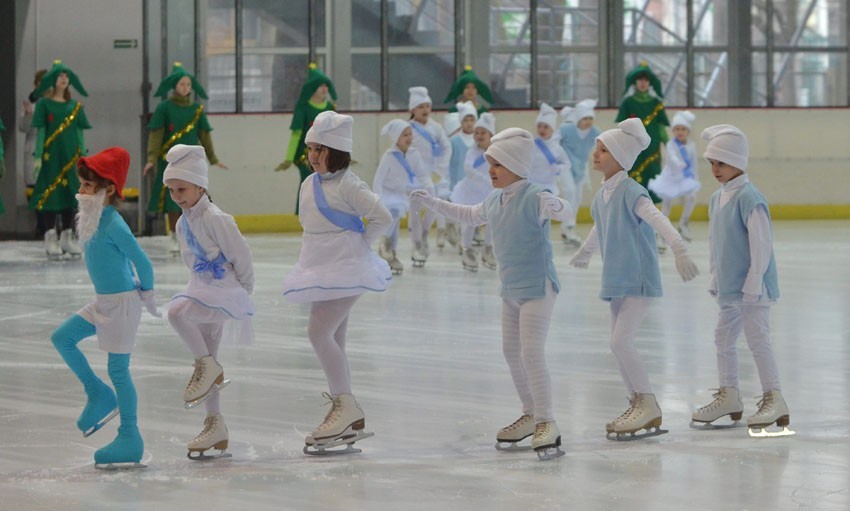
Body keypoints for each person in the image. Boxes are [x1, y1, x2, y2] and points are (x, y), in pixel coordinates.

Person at [410, 128, 574, 461]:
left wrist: (557, 204)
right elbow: (468, 214)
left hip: (537, 288)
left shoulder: (534, 195)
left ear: (515, 164)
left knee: (531, 353)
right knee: (511, 352)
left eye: (497, 164)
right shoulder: (495, 199)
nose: (491, 170)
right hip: (510, 289)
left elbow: (565, 211)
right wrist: (433, 202)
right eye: (490, 164)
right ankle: (530, 412)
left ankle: (547, 420)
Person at [569, 118, 699, 441]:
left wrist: (679, 248)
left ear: (620, 157)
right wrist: (586, 252)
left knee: (620, 341)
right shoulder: (602, 195)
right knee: (617, 345)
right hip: (615, 278)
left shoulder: (631, 191)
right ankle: (637, 403)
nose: (595, 155)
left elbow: (657, 218)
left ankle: (648, 403)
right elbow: (600, 227)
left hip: (638, 278)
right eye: (596, 149)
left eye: (603, 150)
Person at [282, 111, 392, 454]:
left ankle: (346, 405)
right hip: (320, 270)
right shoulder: (308, 184)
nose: (313, 155)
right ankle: (346, 409)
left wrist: (359, 246)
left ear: (339, 151)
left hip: (347, 269)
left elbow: (382, 218)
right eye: (310, 148)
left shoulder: (349, 184)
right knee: (335, 338)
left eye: (321, 148)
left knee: (318, 332)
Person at [50, 146, 159, 468]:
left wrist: (148, 294)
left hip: (122, 305)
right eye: (82, 183)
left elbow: (143, 262)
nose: (80, 190)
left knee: (118, 370)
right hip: (104, 302)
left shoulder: (114, 224)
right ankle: (98, 393)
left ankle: (130, 437)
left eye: (87, 185)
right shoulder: (94, 217)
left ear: (108, 189)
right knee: (62, 338)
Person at [690, 125, 790, 437]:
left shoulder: (749, 197)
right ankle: (729, 396)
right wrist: (714, 276)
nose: (715, 170)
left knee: (758, 341)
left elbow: (762, 244)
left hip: (753, 289)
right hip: (730, 288)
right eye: (712, 163)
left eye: (721, 163)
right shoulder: (717, 198)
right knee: (723, 339)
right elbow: (714, 242)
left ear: (738, 162)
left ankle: (775, 399)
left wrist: (754, 281)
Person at [163, 144, 255, 459]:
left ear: (201, 185)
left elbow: (241, 254)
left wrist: (245, 290)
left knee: (176, 312)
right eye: (172, 190)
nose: (176, 196)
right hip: (202, 287)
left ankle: (206, 365)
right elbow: (191, 261)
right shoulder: (182, 222)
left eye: (182, 189)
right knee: (208, 356)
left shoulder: (217, 218)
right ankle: (215, 426)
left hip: (224, 289)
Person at [145, 62, 226, 252]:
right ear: (175, 86)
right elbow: (156, 134)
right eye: (182, 84)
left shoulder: (197, 109)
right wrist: (151, 158)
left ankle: (194, 234)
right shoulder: (165, 108)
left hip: (192, 163)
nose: (185, 88)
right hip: (171, 161)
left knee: (194, 197)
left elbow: (204, 135)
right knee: (173, 199)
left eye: (188, 85)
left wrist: (213, 158)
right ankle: (174, 234)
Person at [29, 60, 91, 259]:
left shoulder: (75, 107)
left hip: (70, 157)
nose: (64, 79)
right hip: (51, 157)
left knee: (70, 194)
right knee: (51, 195)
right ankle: (50, 236)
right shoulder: (44, 105)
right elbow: (41, 132)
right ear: (52, 80)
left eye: (66, 76)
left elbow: (80, 134)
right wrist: (38, 157)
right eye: (60, 76)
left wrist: (83, 158)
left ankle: (67, 235)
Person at [275, 63, 337, 214]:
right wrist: (289, 158)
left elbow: (335, 133)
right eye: (320, 86)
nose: (324, 89)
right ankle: (303, 214)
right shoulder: (302, 108)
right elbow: (296, 134)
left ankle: (324, 214)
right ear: (311, 89)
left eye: (326, 86)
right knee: (309, 182)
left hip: (326, 154)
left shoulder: (330, 107)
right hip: (305, 155)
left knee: (327, 184)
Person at [373, 119, 433, 275]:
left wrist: (429, 187)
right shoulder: (389, 156)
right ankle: (386, 246)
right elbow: (378, 179)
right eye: (404, 135)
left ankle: (390, 251)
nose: (409, 137)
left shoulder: (414, 154)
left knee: (396, 218)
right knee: (393, 213)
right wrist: (377, 198)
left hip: (401, 193)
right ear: (396, 138)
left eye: (410, 134)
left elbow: (422, 174)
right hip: (386, 192)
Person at [615, 61, 670, 203]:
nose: (643, 83)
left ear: (650, 83)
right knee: (633, 177)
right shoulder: (628, 102)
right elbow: (621, 128)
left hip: (653, 148)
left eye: (646, 80)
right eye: (640, 79)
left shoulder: (656, 103)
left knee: (653, 177)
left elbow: (661, 128)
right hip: (634, 148)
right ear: (635, 82)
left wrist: (670, 145)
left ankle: (652, 215)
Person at [408, 86, 452, 262]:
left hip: (433, 176)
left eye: (427, 106)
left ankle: (424, 233)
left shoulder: (437, 127)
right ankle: (416, 244)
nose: (425, 110)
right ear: (412, 109)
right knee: (416, 212)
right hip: (415, 177)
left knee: (435, 208)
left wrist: (440, 167)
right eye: (421, 106)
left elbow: (446, 147)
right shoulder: (408, 129)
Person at [449, 112, 496, 271]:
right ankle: (466, 249)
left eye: (483, 132)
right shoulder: (472, 151)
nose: (479, 135)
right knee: (469, 222)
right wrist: (486, 180)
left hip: (489, 192)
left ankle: (488, 248)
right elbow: (468, 169)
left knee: (492, 220)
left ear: (491, 134)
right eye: (477, 132)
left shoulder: (497, 152)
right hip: (471, 192)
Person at [648, 111, 700, 242]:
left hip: (685, 177)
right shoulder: (671, 144)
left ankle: (683, 223)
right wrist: (678, 163)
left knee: (691, 197)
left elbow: (694, 163)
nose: (680, 132)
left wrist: (695, 179)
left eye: (683, 129)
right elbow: (672, 156)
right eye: (677, 129)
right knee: (666, 205)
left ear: (688, 131)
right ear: (673, 131)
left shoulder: (692, 145)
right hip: (670, 178)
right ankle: (661, 231)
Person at [559, 99, 601, 246]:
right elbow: (554, 142)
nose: (588, 122)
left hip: (580, 168)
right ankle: (569, 225)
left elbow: (603, 145)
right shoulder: (566, 130)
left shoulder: (595, 133)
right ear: (578, 119)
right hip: (564, 166)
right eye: (585, 118)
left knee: (577, 197)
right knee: (570, 191)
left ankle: (567, 229)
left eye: (590, 118)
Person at [529, 103, 571, 241]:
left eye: (546, 126)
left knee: (544, 216)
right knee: (531, 214)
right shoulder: (531, 145)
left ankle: (541, 239)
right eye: (540, 126)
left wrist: (559, 169)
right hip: (531, 186)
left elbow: (566, 163)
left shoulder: (557, 148)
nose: (542, 129)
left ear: (552, 129)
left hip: (549, 187)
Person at [19, 69, 48, 235]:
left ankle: (54, 227)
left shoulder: (56, 103)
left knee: (53, 191)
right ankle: (41, 226)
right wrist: (29, 115)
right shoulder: (30, 104)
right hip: (33, 150)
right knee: (35, 190)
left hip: (51, 151)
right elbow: (22, 127)